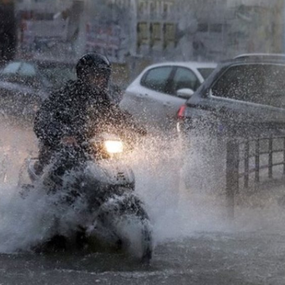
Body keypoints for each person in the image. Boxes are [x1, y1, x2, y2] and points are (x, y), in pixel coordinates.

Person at [33, 53, 145, 174]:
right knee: (57, 164)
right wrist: (61, 135)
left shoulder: (103, 99)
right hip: (63, 147)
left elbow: (117, 116)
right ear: (83, 75)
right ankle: (42, 188)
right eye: (94, 75)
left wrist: (135, 129)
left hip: (91, 147)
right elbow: (42, 119)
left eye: (102, 76)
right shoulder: (64, 95)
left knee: (115, 164)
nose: (99, 80)